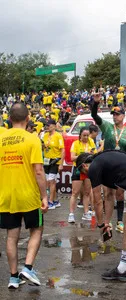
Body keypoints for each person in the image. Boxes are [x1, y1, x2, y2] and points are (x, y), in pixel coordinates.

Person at [76, 151, 126, 281]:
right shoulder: (103, 159)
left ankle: (125, 270)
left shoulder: (94, 167)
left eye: (82, 172)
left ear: (84, 166)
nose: (84, 176)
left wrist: (101, 224)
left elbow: (98, 201)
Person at [0, 103, 48, 289]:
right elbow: (38, 171)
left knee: (11, 237)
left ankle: (13, 277)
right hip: (28, 195)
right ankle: (27, 268)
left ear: (9, 119)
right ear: (28, 119)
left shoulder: (1, 137)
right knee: (37, 229)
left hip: (6, 196)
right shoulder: (32, 139)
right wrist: (44, 196)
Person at [91, 93, 126, 233]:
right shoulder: (107, 127)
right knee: (108, 194)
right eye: (113, 114)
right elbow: (94, 116)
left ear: (123, 116)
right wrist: (96, 103)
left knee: (120, 194)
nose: (114, 116)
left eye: (117, 114)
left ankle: (120, 222)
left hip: (121, 168)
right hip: (107, 166)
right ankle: (107, 222)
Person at [68, 127, 96, 223]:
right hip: (78, 169)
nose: (86, 137)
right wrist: (84, 155)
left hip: (88, 170)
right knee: (75, 193)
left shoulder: (91, 142)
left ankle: (86, 212)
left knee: (87, 192)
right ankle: (71, 214)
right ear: (80, 135)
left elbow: (94, 154)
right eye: (84, 135)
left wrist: (91, 154)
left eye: (87, 135)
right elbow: (72, 157)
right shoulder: (75, 144)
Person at [43, 119, 65, 209]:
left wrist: (61, 164)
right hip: (46, 160)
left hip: (55, 160)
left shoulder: (58, 136)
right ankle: (56, 200)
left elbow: (62, 150)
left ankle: (51, 201)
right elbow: (44, 146)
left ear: (54, 126)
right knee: (48, 182)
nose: (47, 127)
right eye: (47, 125)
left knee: (52, 181)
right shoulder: (44, 136)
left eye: (49, 125)